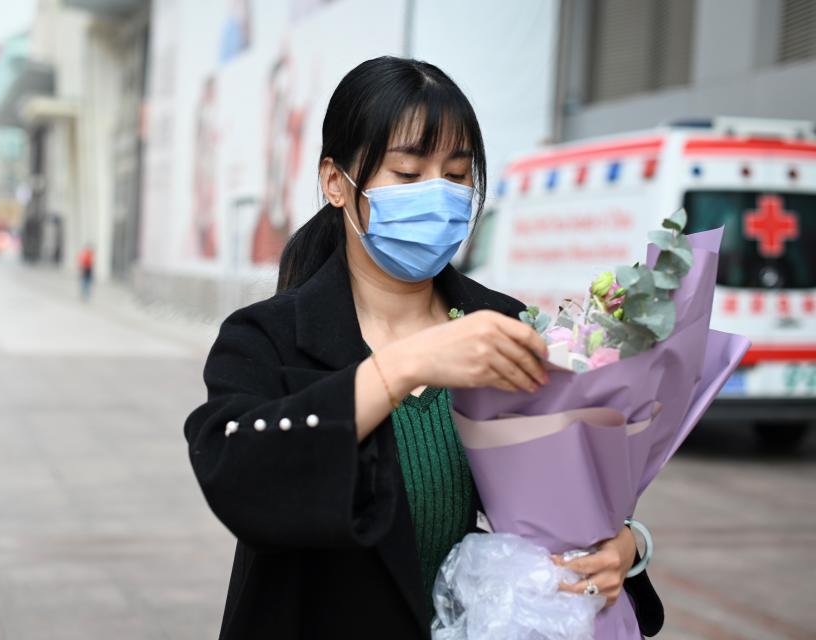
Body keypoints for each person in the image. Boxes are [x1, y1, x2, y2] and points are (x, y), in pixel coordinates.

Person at [184, 56, 663, 640]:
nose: (438, 196)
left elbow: (559, 500)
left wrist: (624, 545)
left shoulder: (504, 325)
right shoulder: (266, 338)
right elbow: (238, 477)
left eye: (457, 175)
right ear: (336, 182)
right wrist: (409, 363)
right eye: (408, 175)